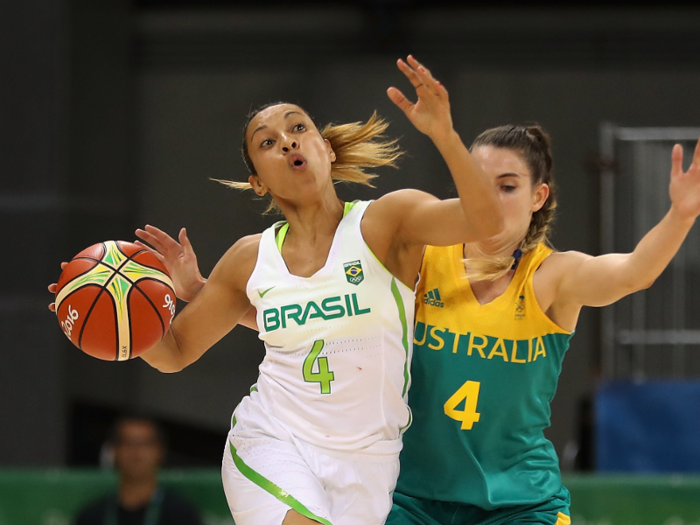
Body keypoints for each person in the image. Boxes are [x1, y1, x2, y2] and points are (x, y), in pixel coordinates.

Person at [128, 56, 504, 525]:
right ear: (258, 183)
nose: (287, 141)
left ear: (325, 149)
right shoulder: (249, 258)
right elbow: (174, 351)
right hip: (273, 441)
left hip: (370, 464)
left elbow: (490, 224)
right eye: (268, 142)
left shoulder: (386, 222)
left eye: (297, 128)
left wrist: (445, 136)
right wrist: (124, 321)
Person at [386, 126, 700, 525]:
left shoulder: (552, 276)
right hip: (413, 499)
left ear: (538, 196)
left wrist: (681, 215)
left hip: (519, 503)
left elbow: (633, 273)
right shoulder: (423, 258)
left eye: (508, 186)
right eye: (480, 184)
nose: (491, 200)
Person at [74, 415, 202, 525]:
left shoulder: (181, 514)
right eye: (128, 443)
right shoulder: (92, 516)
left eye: (144, 443)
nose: (136, 452)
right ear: (113, 450)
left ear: (160, 451)